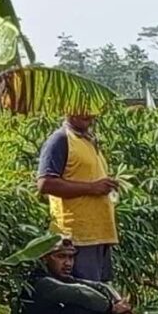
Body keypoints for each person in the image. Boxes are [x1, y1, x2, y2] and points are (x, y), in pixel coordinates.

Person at [35, 104, 119, 281]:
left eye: (91, 108)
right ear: (67, 108)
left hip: (99, 234)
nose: (87, 113)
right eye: (80, 107)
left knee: (99, 294)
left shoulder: (88, 141)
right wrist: (92, 188)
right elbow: (45, 183)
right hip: (75, 237)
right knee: (84, 295)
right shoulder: (60, 140)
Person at [17, 235, 129, 314]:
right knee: (82, 306)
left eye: (71, 257)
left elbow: (102, 287)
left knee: (93, 306)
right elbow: (80, 293)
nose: (68, 263)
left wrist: (123, 310)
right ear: (44, 258)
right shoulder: (40, 282)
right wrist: (112, 308)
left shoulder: (62, 278)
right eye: (61, 257)